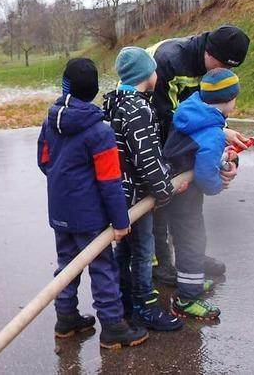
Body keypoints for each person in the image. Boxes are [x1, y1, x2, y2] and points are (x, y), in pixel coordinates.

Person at [37, 58, 148, 350]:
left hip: (60, 212)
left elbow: (44, 161)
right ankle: (112, 326)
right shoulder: (101, 132)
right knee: (102, 268)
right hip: (90, 218)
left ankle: (66, 319)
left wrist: (64, 187)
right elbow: (110, 181)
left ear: (66, 87)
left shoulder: (50, 121)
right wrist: (121, 221)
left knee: (67, 265)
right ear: (94, 91)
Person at [147, 24, 250, 283]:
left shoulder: (214, 70)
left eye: (231, 68)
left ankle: (190, 256)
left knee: (190, 199)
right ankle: (159, 264)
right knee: (158, 201)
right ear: (208, 50)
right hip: (151, 130)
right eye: (222, 64)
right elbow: (165, 123)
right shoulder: (168, 61)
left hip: (179, 131)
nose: (223, 72)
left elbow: (212, 113)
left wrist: (224, 154)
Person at [109, 47, 183, 331]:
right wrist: (164, 190)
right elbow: (147, 156)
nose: (157, 74)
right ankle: (145, 306)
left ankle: (125, 301)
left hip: (119, 195)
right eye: (153, 70)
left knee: (124, 251)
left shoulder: (116, 101)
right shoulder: (139, 108)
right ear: (145, 75)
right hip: (136, 196)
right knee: (142, 251)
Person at [162, 68, 241, 320]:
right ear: (229, 100)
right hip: (186, 194)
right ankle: (187, 299)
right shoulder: (213, 133)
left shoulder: (191, 108)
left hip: (172, 186)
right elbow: (206, 174)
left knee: (187, 239)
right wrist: (218, 186)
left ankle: (191, 283)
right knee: (192, 241)